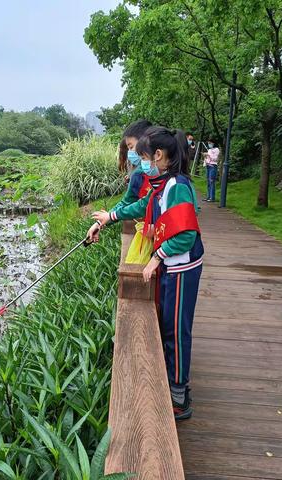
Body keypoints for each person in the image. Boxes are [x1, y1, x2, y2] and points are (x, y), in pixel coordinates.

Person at [87, 127, 204, 420]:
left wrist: (156, 258)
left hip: (181, 267)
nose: (139, 162)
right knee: (168, 324)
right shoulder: (162, 185)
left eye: (142, 157)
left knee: (176, 330)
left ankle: (179, 397)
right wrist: (109, 217)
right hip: (172, 266)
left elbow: (186, 235)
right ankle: (173, 383)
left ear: (159, 156)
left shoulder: (176, 186)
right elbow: (143, 205)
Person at [113, 119, 154, 210]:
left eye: (131, 147)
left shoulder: (167, 174)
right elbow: (143, 204)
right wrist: (110, 216)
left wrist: (110, 216)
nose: (130, 152)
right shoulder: (138, 173)